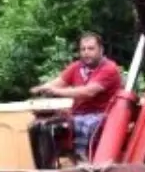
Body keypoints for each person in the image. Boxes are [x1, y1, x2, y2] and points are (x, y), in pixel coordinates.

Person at [31, 32, 123, 160]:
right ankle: (50, 163)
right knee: (44, 125)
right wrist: (41, 89)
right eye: (83, 49)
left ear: (101, 50)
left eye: (91, 48)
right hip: (78, 113)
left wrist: (56, 91)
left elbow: (87, 92)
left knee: (85, 123)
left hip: (103, 114)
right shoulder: (76, 67)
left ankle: (83, 159)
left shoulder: (109, 69)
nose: (86, 52)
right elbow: (58, 83)